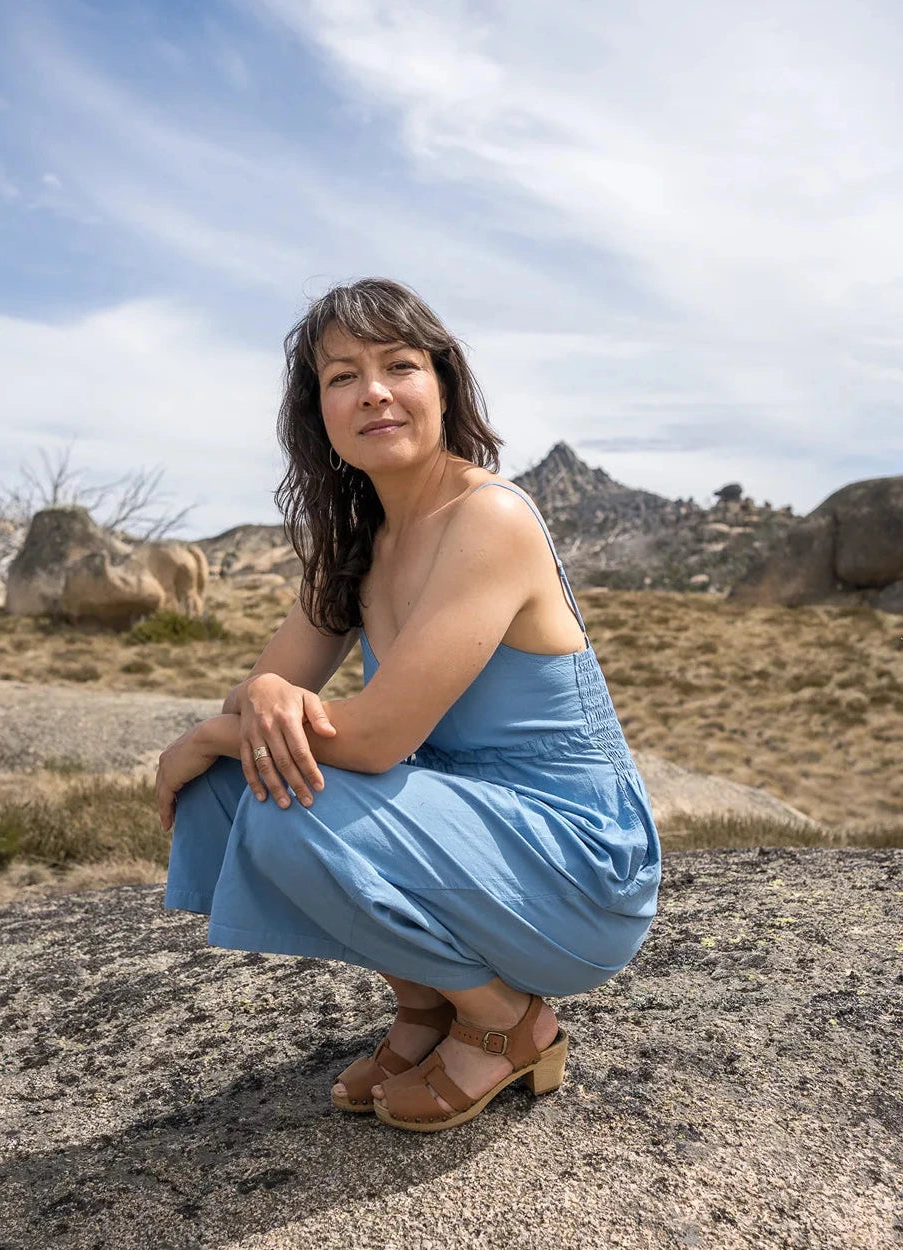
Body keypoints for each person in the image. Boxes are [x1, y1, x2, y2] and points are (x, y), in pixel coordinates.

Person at [156, 277, 661, 1133]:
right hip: (473, 838)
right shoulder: (356, 544)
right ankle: (428, 1004)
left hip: (579, 862)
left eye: (399, 365)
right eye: (342, 376)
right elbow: (271, 697)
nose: (375, 391)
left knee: (276, 797)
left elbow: (380, 737)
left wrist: (212, 729)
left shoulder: (489, 516)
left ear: (443, 385)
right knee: (232, 789)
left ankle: (509, 1022)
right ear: (318, 411)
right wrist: (263, 695)